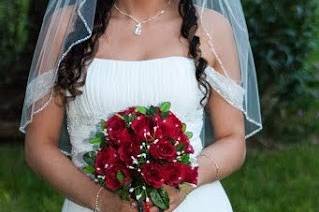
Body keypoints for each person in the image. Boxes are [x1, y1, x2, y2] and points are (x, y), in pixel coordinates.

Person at [19, 0, 262, 211]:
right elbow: (39, 144)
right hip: (90, 203)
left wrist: (186, 182)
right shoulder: (66, 24)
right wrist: (105, 203)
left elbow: (232, 139)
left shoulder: (211, 27)